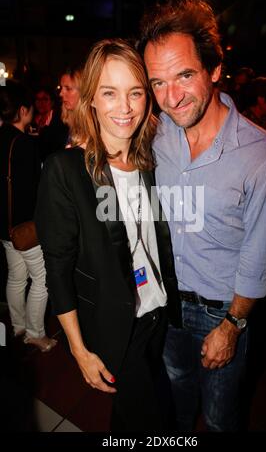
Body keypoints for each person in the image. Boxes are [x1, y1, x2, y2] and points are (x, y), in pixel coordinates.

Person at [139, 0, 266, 432]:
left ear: (214, 69)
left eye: (184, 75)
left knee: (222, 418)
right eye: (158, 83)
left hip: (221, 314)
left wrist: (233, 326)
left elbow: (260, 257)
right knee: (178, 401)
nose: (172, 96)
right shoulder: (155, 135)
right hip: (166, 306)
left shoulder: (263, 155)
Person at [35, 38, 182, 432]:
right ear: (92, 100)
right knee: (156, 423)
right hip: (117, 328)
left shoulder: (150, 159)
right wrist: (79, 351)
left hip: (157, 311)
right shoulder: (65, 170)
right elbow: (58, 270)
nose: (126, 107)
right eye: (110, 93)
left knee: (130, 417)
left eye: (135, 92)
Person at [0, 81, 57, 352]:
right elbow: (35, 187)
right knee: (42, 279)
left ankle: (18, 326)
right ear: (22, 110)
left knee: (16, 276)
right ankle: (35, 333)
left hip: (4, 226)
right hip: (24, 226)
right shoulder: (24, 143)